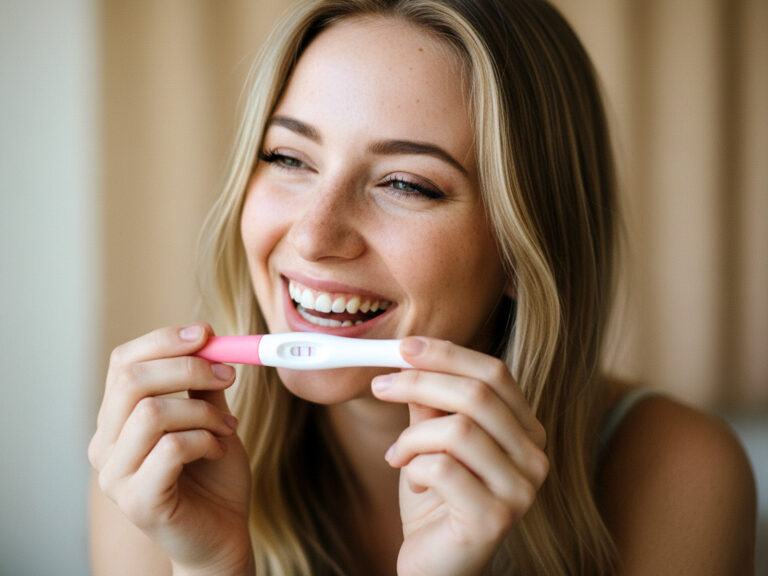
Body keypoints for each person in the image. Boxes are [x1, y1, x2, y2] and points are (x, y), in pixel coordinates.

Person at [87, 1, 757, 574]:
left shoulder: (678, 475)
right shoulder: (162, 468)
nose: (316, 236)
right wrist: (208, 567)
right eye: (289, 158)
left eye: (406, 184)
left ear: (525, 251)